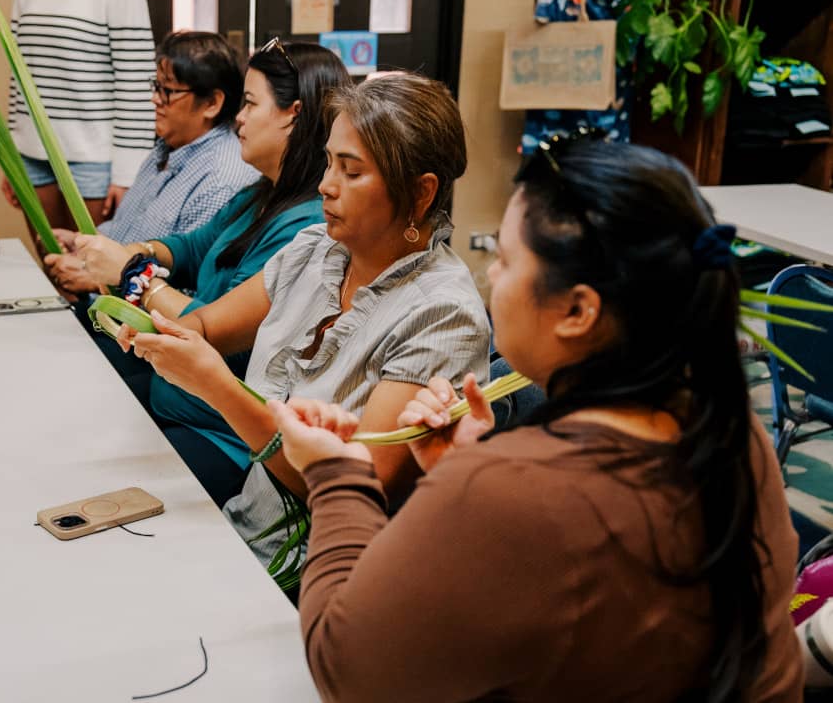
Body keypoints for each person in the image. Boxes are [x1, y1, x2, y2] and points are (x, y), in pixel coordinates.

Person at [266, 136, 803, 701]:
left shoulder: (517, 487)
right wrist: (467, 472)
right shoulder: (727, 430)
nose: (489, 277)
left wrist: (338, 477)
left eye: (503, 258)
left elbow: (348, 673)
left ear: (577, 310)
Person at [118, 74, 490, 545]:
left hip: (320, 568)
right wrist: (153, 332)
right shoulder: (317, 251)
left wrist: (216, 385)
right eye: (328, 163)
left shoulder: (443, 315)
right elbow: (211, 324)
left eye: (351, 172)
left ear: (421, 193)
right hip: (245, 525)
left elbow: (351, 496)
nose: (325, 186)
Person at [55, 41, 348, 421]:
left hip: (216, 425)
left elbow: (218, 332)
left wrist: (134, 273)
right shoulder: (259, 194)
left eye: (250, 104)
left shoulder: (305, 227)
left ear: (293, 115)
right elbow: (193, 249)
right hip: (178, 392)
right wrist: (140, 252)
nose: (238, 118)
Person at [42, 30, 260, 297]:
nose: (155, 99)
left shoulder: (220, 181)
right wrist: (80, 243)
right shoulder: (167, 147)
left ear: (212, 103)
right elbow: (128, 229)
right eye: (156, 87)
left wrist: (100, 281)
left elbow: (192, 291)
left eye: (167, 91)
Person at [2, 0, 155, 235]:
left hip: (93, 160)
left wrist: (126, 175)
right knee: (50, 267)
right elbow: (18, 74)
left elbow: (135, 83)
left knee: (90, 275)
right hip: (32, 154)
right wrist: (11, 154)